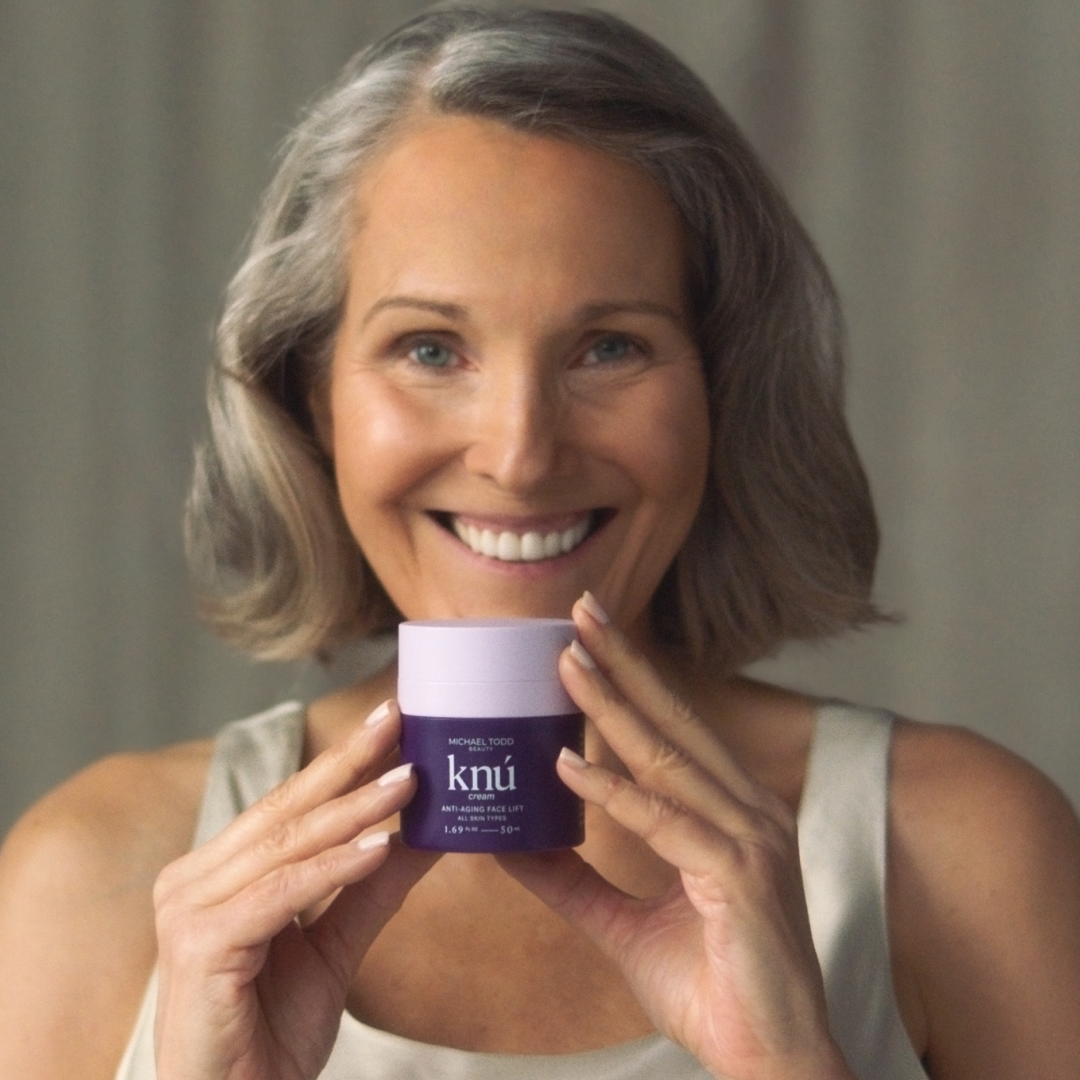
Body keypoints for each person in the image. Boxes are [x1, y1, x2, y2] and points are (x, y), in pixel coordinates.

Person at [1, 7, 1078, 1080]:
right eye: (430, 348)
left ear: (722, 390)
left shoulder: (961, 853)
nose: (519, 454)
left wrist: (793, 1062)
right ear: (314, 398)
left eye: (609, 346)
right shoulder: (92, 876)